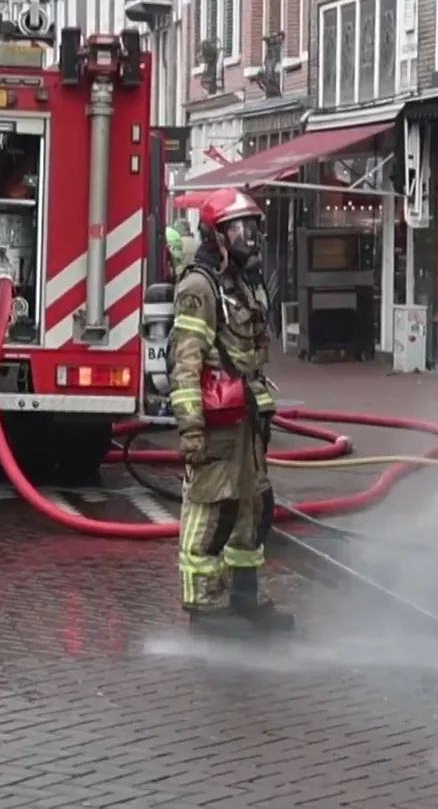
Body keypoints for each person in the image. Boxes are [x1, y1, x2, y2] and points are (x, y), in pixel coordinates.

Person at [167, 188, 295, 635]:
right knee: (211, 511)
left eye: (253, 228)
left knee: (254, 509)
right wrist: (192, 431)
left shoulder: (240, 283)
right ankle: (206, 609)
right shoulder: (199, 287)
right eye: (239, 229)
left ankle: (244, 599)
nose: (250, 238)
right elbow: (186, 362)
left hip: (247, 422)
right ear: (216, 235)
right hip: (217, 425)